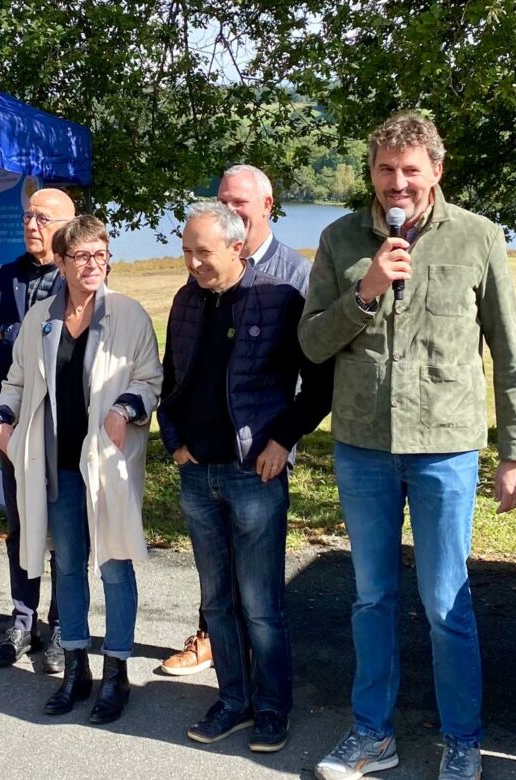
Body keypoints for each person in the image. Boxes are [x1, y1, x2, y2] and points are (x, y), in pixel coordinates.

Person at [300, 112, 516, 780]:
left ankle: (463, 739)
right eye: (384, 169)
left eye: (410, 169)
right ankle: (372, 733)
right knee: (371, 598)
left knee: (445, 602)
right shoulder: (339, 237)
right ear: (371, 172)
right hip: (363, 447)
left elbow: (510, 353)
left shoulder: (479, 238)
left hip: (446, 451)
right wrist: (365, 291)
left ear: (436, 169)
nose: (396, 182)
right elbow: (312, 342)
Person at [157, 202, 331, 752]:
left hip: (252, 475)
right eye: (186, 251)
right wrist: (175, 442)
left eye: (202, 253)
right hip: (197, 475)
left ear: (237, 246)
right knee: (217, 602)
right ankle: (232, 700)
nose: (192, 262)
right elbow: (171, 378)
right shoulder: (186, 300)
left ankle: (272, 708)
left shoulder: (280, 299)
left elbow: (319, 386)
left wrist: (282, 441)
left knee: (260, 603)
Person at [0, 215, 163, 724]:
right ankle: (75, 667)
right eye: (82, 256)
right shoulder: (39, 318)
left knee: (113, 566)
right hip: (56, 467)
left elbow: (152, 380)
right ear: (61, 262)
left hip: (107, 465)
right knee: (67, 566)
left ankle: (117, 672)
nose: (93, 265)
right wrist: (3, 420)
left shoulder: (129, 316)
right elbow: (16, 382)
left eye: (100, 254)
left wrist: (124, 407)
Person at [0, 187, 75, 672]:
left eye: (43, 218)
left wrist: (13, 336)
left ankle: (59, 627)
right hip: (12, 425)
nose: (31, 225)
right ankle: (22, 619)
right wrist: (27, 337)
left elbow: (71, 347)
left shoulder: (78, 276)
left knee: (60, 530)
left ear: (67, 225)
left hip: (63, 426)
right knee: (19, 526)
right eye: (28, 216)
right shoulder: (5, 275)